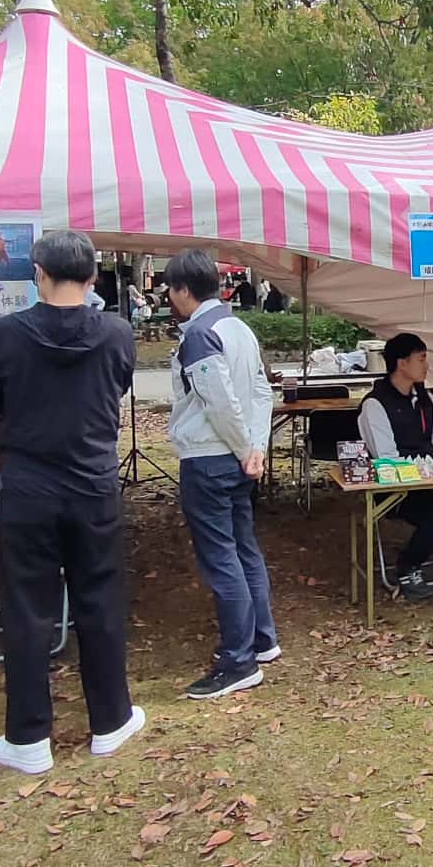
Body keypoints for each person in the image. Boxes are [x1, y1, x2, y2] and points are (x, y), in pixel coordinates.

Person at [0, 229, 142, 773]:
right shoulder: (117, 333)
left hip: (28, 489)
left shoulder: (6, 333)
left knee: (28, 609)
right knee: (101, 601)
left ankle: (28, 739)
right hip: (93, 484)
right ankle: (111, 720)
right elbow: (118, 387)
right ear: (93, 276)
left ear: (38, 274)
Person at [166, 249, 279, 699]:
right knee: (244, 547)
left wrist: (248, 448)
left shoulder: (200, 334)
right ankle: (262, 639)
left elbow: (220, 401)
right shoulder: (239, 328)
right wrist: (256, 448)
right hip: (237, 457)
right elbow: (261, 392)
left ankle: (238, 661)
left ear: (183, 290)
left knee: (222, 558)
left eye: (170, 289)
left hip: (209, 458)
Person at [358, 333, 433, 598]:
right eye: (421, 359)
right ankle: (407, 567)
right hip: (396, 489)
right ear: (401, 364)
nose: (427, 365)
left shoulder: (424, 399)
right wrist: (425, 476)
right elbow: (386, 457)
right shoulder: (375, 405)